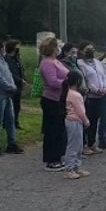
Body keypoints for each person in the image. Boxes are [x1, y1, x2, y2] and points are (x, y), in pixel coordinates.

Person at [39, 37, 70, 172]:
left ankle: (58, 156)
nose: (59, 49)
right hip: (51, 100)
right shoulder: (47, 63)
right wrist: (66, 83)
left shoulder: (56, 61)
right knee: (52, 130)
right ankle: (51, 160)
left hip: (60, 99)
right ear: (52, 48)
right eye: (57, 47)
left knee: (59, 130)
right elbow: (52, 82)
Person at [78, 41, 106, 153]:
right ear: (82, 51)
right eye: (87, 49)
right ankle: (84, 145)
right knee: (87, 120)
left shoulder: (97, 62)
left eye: (92, 48)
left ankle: (92, 143)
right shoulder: (80, 63)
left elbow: (103, 76)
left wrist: (105, 87)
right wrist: (96, 89)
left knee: (95, 120)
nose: (90, 50)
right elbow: (85, 79)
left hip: (100, 96)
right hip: (90, 96)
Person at [62, 70, 91, 180]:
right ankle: (69, 168)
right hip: (74, 120)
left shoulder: (70, 93)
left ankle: (76, 166)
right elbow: (80, 111)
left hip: (76, 121)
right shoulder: (75, 95)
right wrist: (86, 120)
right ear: (78, 81)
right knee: (73, 145)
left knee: (79, 145)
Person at [4, 40, 26, 130]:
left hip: (19, 85)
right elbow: (10, 73)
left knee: (17, 105)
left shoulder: (17, 58)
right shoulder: (7, 59)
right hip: (11, 84)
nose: (18, 48)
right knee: (10, 105)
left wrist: (24, 79)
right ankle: (7, 123)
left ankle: (15, 122)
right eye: (17, 46)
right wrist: (20, 80)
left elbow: (21, 69)